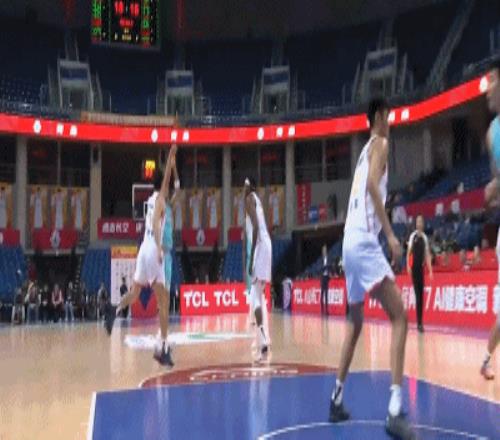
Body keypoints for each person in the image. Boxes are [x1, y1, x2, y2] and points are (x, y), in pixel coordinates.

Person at [329, 98, 414, 439]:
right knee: (400, 316)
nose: (390, 122)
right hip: (364, 242)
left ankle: (336, 398)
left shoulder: (364, 151)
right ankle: (394, 410)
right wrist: (390, 236)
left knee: (355, 322)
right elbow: (371, 190)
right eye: (388, 117)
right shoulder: (380, 144)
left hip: (347, 243)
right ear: (379, 117)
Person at [105, 145, 178, 367]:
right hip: (153, 248)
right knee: (164, 302)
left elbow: (167, 183)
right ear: (162, 186)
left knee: (135, 293)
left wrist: (171, 162)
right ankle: (163, 349)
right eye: (166, 185)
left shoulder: (152, 199)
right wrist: (171, 156)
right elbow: (156, 221)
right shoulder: (161, 199)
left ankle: (115, 308)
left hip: (143, 248)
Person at [481, 55, 500, 381]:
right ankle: (486, 359)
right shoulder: (492, 133)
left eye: (492, 82)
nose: (487, 91)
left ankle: (485, 359)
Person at [244, 177, 272, 361]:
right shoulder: (257, 200)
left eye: (244, 186)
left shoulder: (249, 199)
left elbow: (255, 227)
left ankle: (263, 343)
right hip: (267, 245)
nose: (242, 190)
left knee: (255, 297)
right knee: (258, 296)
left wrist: (251, 258)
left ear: (249, 187)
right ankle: (263, 341)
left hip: (260, 247)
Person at [406, 215, 433, 333]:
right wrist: (408, 265)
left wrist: (430, 270)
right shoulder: (413, 236)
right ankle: (419, 322)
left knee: (421, 296)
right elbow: (409, 253)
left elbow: (427, 255)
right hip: (414, 269)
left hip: (421, 269)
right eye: (417, 222)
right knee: (417, 295)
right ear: (416, 224)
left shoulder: (425, 238)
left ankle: (420, 323)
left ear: (423, 224)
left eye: (421, 221)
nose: (419, 223)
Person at [320, 244, 331, 315]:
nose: (324, 251)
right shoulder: (321, 260)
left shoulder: (328, 259)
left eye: (325, 250)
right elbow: (320, 269)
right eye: (323, 250)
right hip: (322, 278)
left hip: (327, 278)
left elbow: (330, 267)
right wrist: (325, 267)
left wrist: (327, 268)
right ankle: (322, 310)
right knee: (322, 294)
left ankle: (326, 310)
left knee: (326, 294)